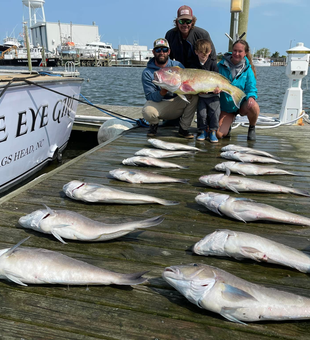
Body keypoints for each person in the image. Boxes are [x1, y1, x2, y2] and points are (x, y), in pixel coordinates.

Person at [141, 38, 198, 138]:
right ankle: (154, 125)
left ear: (169, 52)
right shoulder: (147, 72)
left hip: (177, 102)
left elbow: (187, 84)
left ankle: (183, 129)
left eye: (164, 50)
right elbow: (150, 97)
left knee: (194, 97)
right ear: (153, 52)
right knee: (147, 111)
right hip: (160, 105)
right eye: (158, 50)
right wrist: (162, 92)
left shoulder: (178, 66)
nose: (161, 53)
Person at [217, 39, 260, 141]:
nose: (236, 53)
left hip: (242, 104)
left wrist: (251, 97)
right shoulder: (220, 66)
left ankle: (252, 127)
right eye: (235, 50)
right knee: (218, 134)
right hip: (226, 107)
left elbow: (251, 87)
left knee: (254, 106)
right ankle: (229, 123)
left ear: (245, 53)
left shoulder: (248, 69)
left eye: (240, 51)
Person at [191, 39, 221, 143]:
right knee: (201, 114)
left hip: (213, 96)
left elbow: (218, 79)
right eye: (201, 52)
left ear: (210, 51)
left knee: (214, 113)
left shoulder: (213, 64)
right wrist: (197, 91)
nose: (203, 55)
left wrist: (218, 89)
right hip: (201, 97)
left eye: (206, 53)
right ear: (196, 52)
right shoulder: (194, 65)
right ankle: (202, 131)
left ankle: (213, 131)